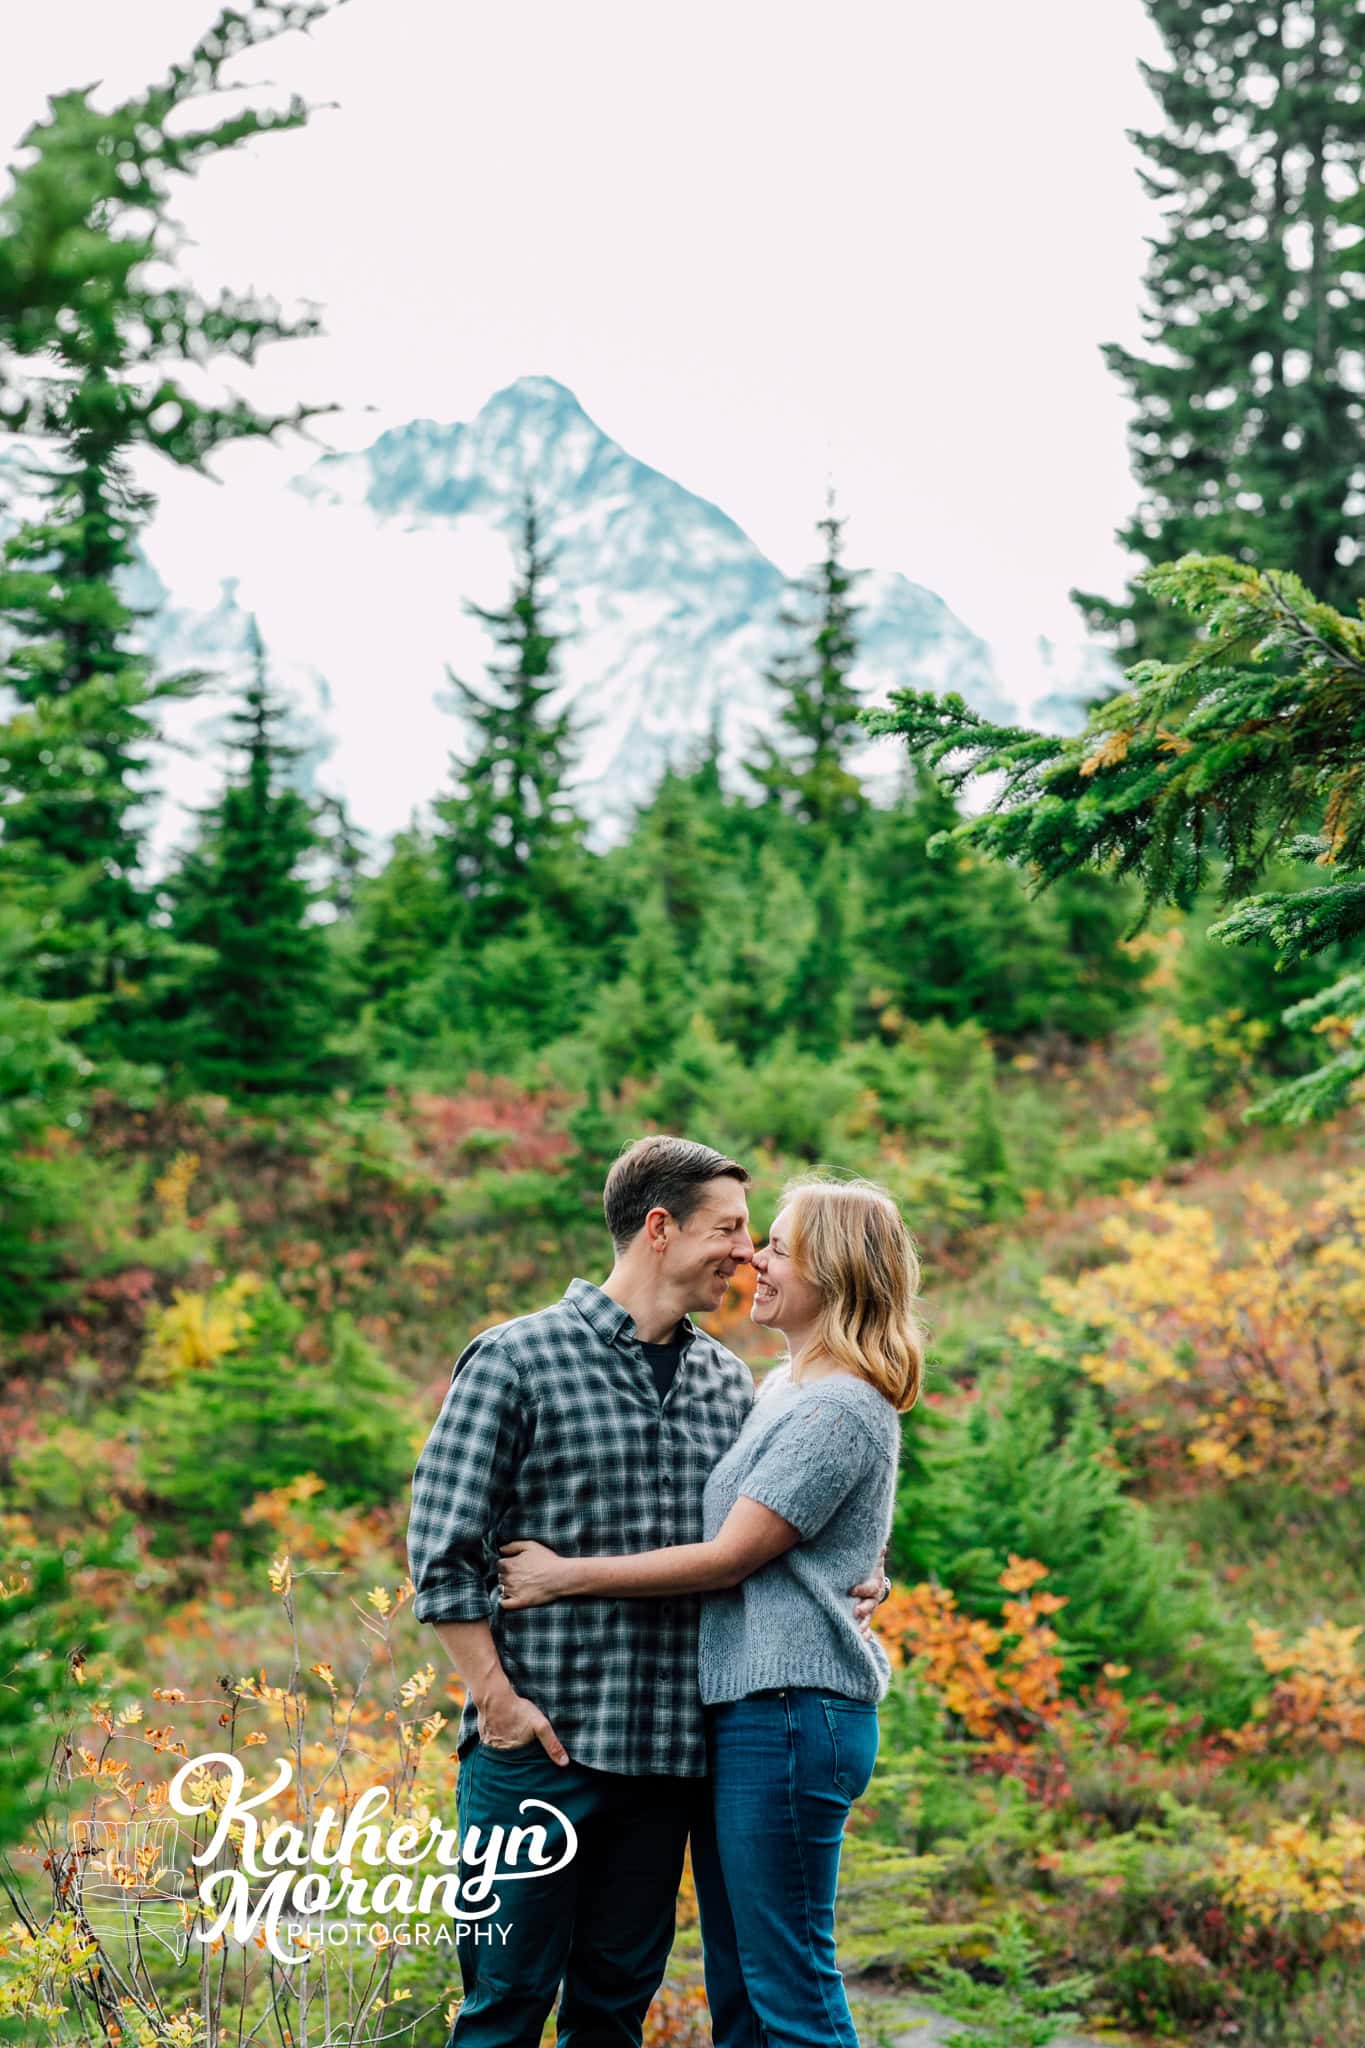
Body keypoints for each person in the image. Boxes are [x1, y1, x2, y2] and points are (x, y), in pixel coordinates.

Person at [405, 1136, 889, 2048]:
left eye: (754, 1236)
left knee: (611, 2014)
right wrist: (495, 1702)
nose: (746, 1254)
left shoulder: (729, 1383)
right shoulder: (516, 1359)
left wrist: (856, 1571)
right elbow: (442, 1548)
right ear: (659, 1228)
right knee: (502, 2007)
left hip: (669, 1761)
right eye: (730, 1230)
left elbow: (770, 1525)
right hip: (537, 1749)